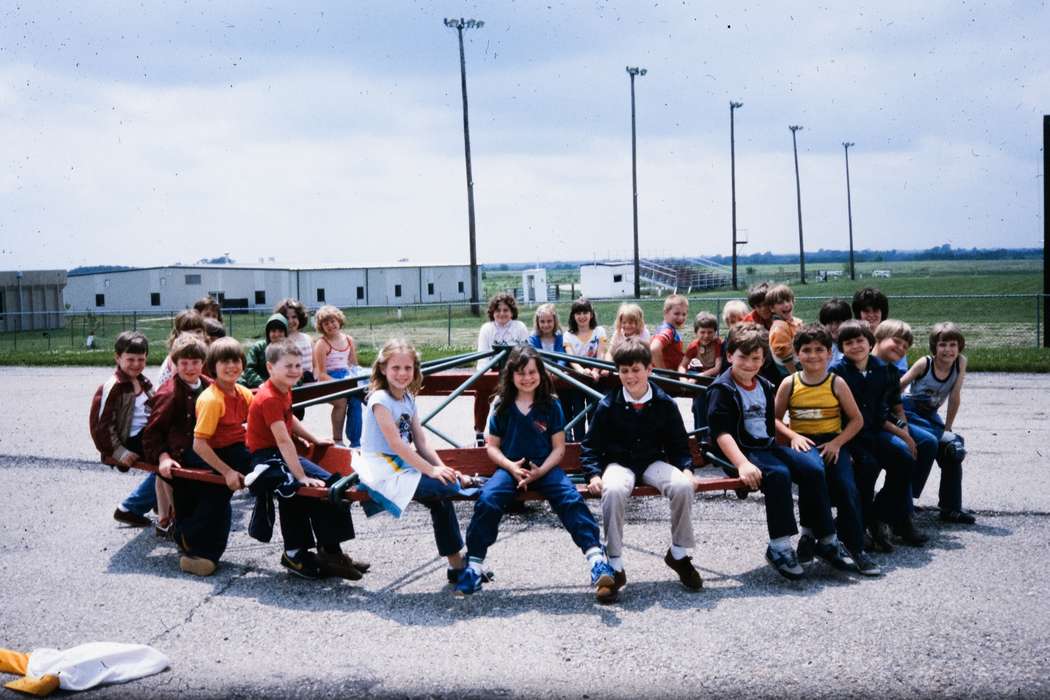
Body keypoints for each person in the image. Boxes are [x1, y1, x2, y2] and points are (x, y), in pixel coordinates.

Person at [455, 346, 615, 600]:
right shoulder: (501, 404)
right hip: (511, 469)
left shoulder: (550, 404)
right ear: (511, 376)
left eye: (531, 372)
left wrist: (540, 472)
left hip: (545, 467)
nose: (527, 378)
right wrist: (510, 466)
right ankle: (474, 567)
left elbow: (559, 448)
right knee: (488, 500)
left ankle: (596, 559)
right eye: (520, 373)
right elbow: (492, 447)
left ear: (540, 373)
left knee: (570, 498)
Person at [706, 323, 853, 580]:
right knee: (779, 474)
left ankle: (826, 539)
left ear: (763, 360)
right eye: (742, 357)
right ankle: (779, 547)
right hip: (740, 452)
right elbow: (721, 434)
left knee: (812, 467)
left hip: (765, 446)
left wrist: (792, 436)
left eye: (756, 358)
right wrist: (741, 464)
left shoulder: (763, 384)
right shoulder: (723, 389)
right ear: (730, 356)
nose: (749, 364)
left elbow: (770, 422)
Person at [582, 338, 704, 597]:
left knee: (682, 486)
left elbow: (679, 444)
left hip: (651, 462)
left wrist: (687, 469)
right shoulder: (607, 405)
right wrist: (593, 474)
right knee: (613, 490)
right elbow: (590, 446)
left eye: (636, 370)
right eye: (624, 371)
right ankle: (614, 564)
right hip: (619, 464)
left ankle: (679, 554)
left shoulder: (664, 403)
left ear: (649, 370)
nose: (630, 376)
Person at [355, 339, 480, 585]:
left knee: (443, 491)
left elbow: (421, 442)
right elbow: (396, 444)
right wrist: (432, 471)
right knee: (446, 488)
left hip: (402, 464)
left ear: (415, 370)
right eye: (396, 368)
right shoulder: (380, 399)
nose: (402, 374)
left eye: (407, 368)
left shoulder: (408, 399)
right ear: (383, 369)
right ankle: (469, 559)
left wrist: (443, 468)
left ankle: (457, 566)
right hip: (382, 468)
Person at [245, 339, 361, 580]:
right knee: (298, 489)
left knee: (332, 483)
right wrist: (301, 476)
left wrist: (313, 438)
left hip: (281, 453)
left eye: (298, 365)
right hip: (268, 458)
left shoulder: (283, 390)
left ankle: (330, 550)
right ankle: (295, 553)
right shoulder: (268, 397)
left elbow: (289, 421)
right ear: (270, 368)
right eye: (288, 366)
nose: (295, 371)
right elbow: (283, 440)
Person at [774, 324, 879, 576]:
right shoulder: (790, 383)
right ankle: (812, 537)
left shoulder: (837, 382)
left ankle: (854, 546)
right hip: (803, 442)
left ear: (830, 354)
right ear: (797, 354)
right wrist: (793, 435)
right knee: (814, 474)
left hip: (832, 441)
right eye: (806, 350)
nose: (813, 355)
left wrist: (837, 443)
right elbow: (774, 420)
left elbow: (856, 419)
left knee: (846, 485)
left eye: (819, 350)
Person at [830, 321, 927, 552]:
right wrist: (843, 444)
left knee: (904, 458)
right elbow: (835, 414)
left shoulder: (882, 371)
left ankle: (878, 514)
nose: (855, 346)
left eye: (860, 340)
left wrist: (905, 435)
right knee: (868, 467)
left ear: (870, 342)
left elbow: (881, 414)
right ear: (842, 348)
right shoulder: (837, 372)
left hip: (873, 431)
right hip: (848, 436)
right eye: (849, 343)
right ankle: (855, 526)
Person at [176, 337, 256, 575]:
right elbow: (199, 445)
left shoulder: (242, 392)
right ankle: (196, 545)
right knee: (220, 491)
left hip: (231, 447)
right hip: (206, 451)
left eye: (236, 360)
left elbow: (261, 420)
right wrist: (227, 471)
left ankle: (191, 539)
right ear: (213, 367)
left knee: (261, 468)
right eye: (224, 362)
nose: (231, 366)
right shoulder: (212, 399)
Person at [141, 335, 216, 572]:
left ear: (203, 363)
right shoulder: (169, 393)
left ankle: (197, 535)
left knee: (223, 482)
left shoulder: (208, 384)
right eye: (184, 363)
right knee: (206, 489)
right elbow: (152, 433)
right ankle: (187, 538)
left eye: (195, 362)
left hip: (205, 445)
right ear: (174, 364)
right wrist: (163, 456)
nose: (190, 368)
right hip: (182, 451)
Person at [900, 322, 974, 524]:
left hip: (929, 415)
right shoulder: (925, 364)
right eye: (943, 345)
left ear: (959, 347)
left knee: (953, 446)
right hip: (910, 412)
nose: (948, 350)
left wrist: (948, 427)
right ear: (934, 346)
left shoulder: (960, 363)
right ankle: (906, 501)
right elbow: (899, 387)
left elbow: (954, 396)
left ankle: (951, 508)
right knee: (933, 443)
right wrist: (897, 419)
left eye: (953, 345)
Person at [872, 319, 938, 528]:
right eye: (897, 342)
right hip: (870, 425)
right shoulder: (867, 367)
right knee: (903, 450)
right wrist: (904, 436)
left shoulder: (891, 371)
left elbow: (897, 406)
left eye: (905, 346)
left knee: (927, 442)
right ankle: (900, 514)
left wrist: (906, 429)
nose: (901, 348)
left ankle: (901, 502)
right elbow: (872, 415)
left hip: (887, 421)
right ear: (879, 338)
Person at [90, 331, 157, 528]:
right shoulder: (114, 386)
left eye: (141, 359)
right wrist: (119, 451)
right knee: (175, 456)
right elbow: (101, 427)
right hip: (130, 440)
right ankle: (133, 507)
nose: (136, 364)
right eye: (130, 359)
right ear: (117, 358)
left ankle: (152, 503)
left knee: (175, 456)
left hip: (146, 435)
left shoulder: (143, 381)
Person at [473, 293, 530, 446]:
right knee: (482, 392)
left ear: (512, 312)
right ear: (492, 312)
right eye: (498, 310)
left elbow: (526, 353)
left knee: (516, 397)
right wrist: (483, 377)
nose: (502, 313)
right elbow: (482, 355)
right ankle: (479, 431)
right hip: (492, 369)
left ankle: (515, 432)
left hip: (515, 371)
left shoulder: (519, 327)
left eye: (506, 310)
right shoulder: (487, 328)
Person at [312, 305, 364, 447]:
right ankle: (338, 439)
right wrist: (338, 382)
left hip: (347, 376)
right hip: (330, 379)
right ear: (321, 327)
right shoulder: (321, 344)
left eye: (333, 321)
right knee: (341, 401)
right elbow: (321, 374)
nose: (330, 325)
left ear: (339, 321)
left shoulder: (348, 340)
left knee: (356, 401)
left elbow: (354, 366)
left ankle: (355, 441)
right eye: (326, 323)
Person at [563, 297, 608, 440]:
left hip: (595, 377)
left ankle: (594, 443)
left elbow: (601, 353)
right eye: (578, 313)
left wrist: (595, 370)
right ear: (573, 316)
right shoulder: (568, 335)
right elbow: (571, 358)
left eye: (585, 312)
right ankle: (578, 443)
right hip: (578, 378)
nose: (582, 316)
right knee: (578, 412)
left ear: (591, 314)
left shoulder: (599, 331)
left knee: (594, 410)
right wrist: (581, 371)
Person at [683, 311, 723, 432]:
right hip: (701, 376)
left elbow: (717, 368)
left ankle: (712, 433)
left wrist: (698, 376)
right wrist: (683, 380)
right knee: (698, 404)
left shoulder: (718, 344)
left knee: (712, 405)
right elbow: (682, 365)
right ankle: (700, 435)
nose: (706, 336)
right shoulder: (693, 345)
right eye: (702, 332)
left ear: (715, 332)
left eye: (710, 332)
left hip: (713, 376)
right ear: (696, 332)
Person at [852, 287, 906, 371]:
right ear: (859, 313)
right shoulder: (852, 338)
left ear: (882, 312)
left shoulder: (894, 339)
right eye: (866, 311)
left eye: (875, 310)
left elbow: (901, 371)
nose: (871, 315)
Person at [155, 310, 207, 386]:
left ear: (204, 332)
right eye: (188, 332)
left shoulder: (195, 351)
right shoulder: (179, 354)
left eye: (198, 331)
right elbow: (178, 384)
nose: (194, 335)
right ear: (178, 333)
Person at [239, 314, 288, 389]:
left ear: (286, 333)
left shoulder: (290, 351)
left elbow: (296, 371)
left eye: (281, 331)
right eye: (273, 331)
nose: (277, 334)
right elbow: (248, 369)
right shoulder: (258, 347)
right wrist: (262, 383)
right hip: (258, 386)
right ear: (268, 333)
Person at [275, 298, 315, 384]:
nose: (290, 321)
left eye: (294, 317)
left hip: (310, 382)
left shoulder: (308, 339)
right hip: (291, 383)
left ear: (300, 318)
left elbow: (315, 365)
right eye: (286, 318)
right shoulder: (281, 340)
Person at [766, 284, 803, 376]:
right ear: (772, 308)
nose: (786, 304)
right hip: (791, 370)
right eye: (780, 302)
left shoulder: (792, 322)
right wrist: (795, 376)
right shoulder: (779, 327)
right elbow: (785, 356)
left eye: (788, 300)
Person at [650, 294, 689, 371]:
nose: (681, 317)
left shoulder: (663, 328)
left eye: (684, 314)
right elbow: (654, 348)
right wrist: (664, 372)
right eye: (676, 313)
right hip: (670, 377)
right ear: (665, 312)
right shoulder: (668, 331)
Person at [818, 298, 853, 366]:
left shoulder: (854, 343)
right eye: (830, 323)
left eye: (838, 322)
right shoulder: (821, 344)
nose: (834, 327)